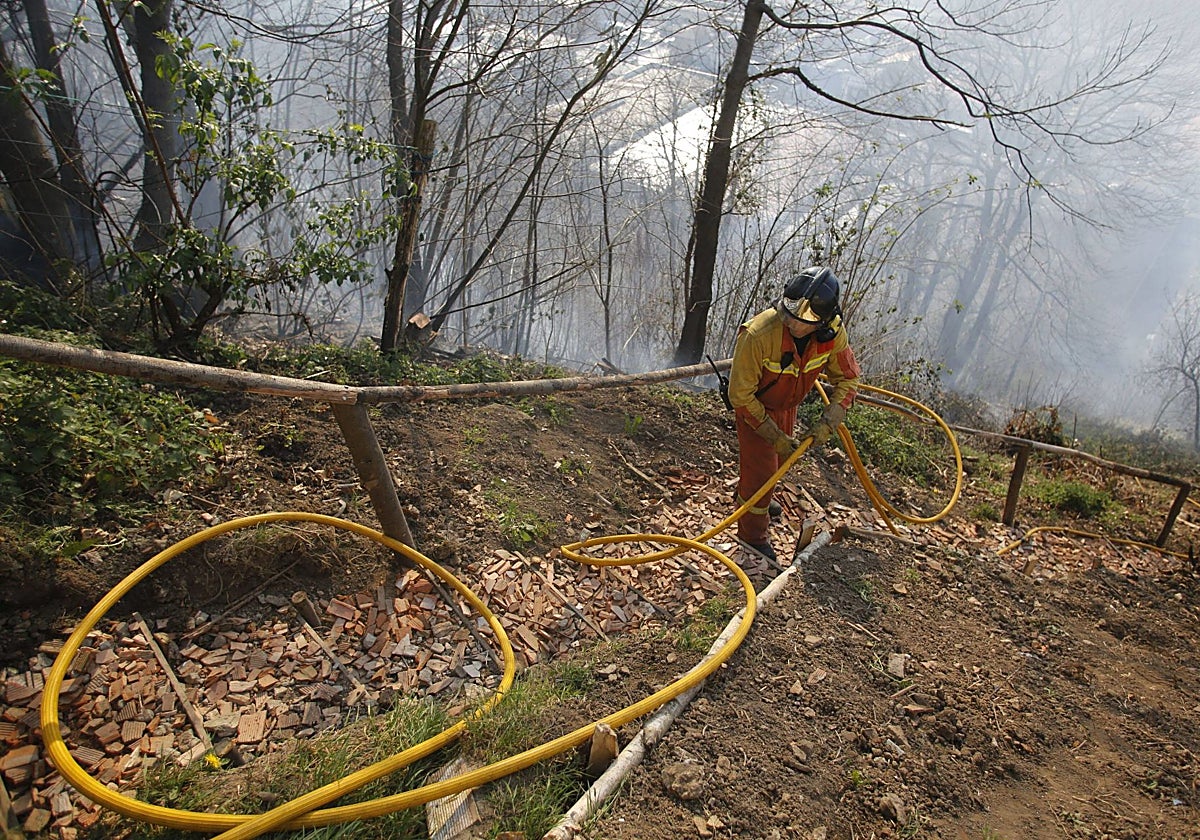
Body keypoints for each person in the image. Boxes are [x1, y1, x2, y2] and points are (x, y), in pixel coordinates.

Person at [727, 266, 861, 561]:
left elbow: (848, 378)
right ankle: (752, 536)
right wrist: (771, 433)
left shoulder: (832, 334)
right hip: (756, 410)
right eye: (788, 312)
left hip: (789, 405)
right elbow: (740, 394)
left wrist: (830, 419)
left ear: (823, 321)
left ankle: (757, 499)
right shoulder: (758, 334)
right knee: (760, 473)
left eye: (803, 320)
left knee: (777, 463)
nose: (791, 322)